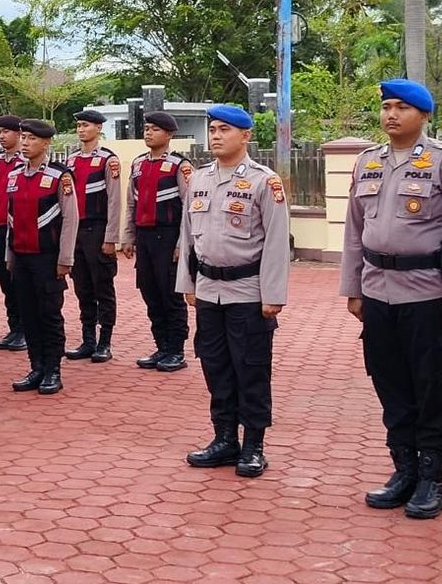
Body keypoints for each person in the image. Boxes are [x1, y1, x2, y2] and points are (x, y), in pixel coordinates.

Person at [342, 79, 442, 518]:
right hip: (378, 292)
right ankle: (403, 470)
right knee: (390, 384)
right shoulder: (367, 163)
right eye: (386, 106)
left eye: (402, 107)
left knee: (430, 386)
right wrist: (353, 288)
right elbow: (354, 232)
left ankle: (431, 478)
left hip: (427, 295)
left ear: (424, 115)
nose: (391, 115)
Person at [176, 105, 290, 478]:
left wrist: (272, 295)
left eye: (225, 129)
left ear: (246, 136)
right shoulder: (199, 179)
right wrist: (187, 284)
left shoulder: (263, 181)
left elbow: (276, 242)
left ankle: (254, 444)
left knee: (251, 369)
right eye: (212, 129)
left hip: (248, 292)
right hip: (209, 290)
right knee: (216, 367)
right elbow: (187, 237)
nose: (215, 136)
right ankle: (225, 438)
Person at [8, 119, 79, 395]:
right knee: (27, 314)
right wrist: (9, 256)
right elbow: (10, 219)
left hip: (47, 257)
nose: (25, 143)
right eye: (23, 138)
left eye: (32, 139)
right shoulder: (15, 175)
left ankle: (52, 369)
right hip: (22, 257)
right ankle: (36, 366)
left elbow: (71, 219)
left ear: (46, 143)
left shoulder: (59, 176)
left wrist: (65, 259)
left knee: (49, 314)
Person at [120, 111, 195, 371]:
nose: (148, 132)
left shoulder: (179, 165)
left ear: (169, 134)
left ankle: (176, 350)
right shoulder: (139, 164)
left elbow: (189, 207)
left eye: (155, 129)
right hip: (145, 237)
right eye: (147, 128)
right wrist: (128, 236)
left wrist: (181, 244)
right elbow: (132, 202)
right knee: (150, 293)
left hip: (169, 237)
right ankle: (161, 346)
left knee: (170, 295)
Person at [65, 110, 122, 363]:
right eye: (78, 125)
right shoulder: (71, 160)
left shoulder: (108, 160)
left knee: (103, 288)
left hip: (97, 230)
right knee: (82, 287)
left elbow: (114, 200)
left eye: (85, 125)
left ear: (98, 128)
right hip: (76, 231)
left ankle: (105, 341)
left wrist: (111, 237)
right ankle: (88, 339)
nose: (81, 130)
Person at [0, 115, 27, 351]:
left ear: (19, 134)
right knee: (4, 279)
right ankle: (14, 326)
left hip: (18, 229)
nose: (1, 136)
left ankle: (26, 329)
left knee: (19, 279)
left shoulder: (25, 161)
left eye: (6, 132)